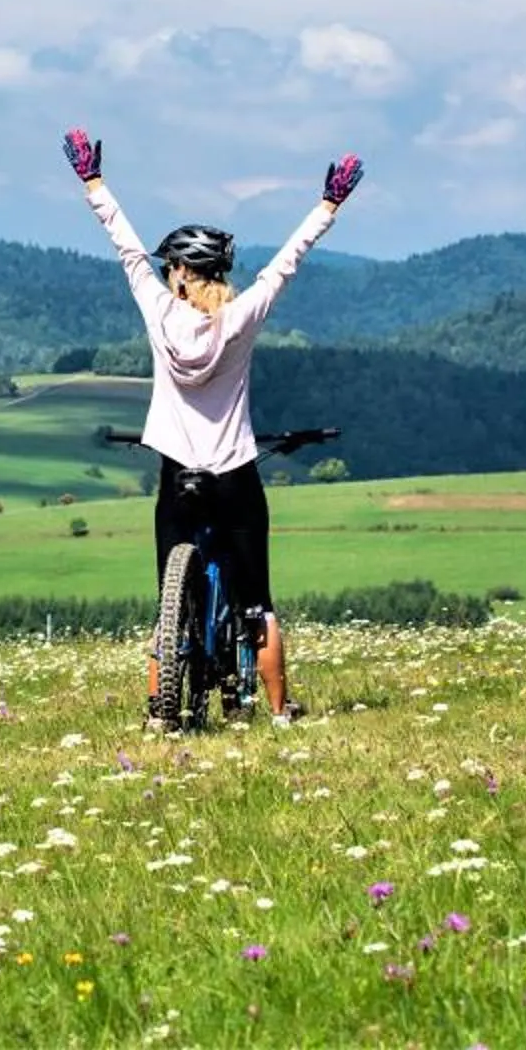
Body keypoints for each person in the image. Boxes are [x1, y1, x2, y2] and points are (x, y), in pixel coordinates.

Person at [62, 126, 362, 724]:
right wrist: (328, 205)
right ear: (220, 275)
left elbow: (124, 246)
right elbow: (285, 265)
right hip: (233, 473)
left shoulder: (157, 308)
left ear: (177, 273)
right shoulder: (241, 318)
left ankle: (158, 711)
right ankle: (279, 712)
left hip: (178, 472)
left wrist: (93, 182)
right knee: (258, 603)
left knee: (163, 606)